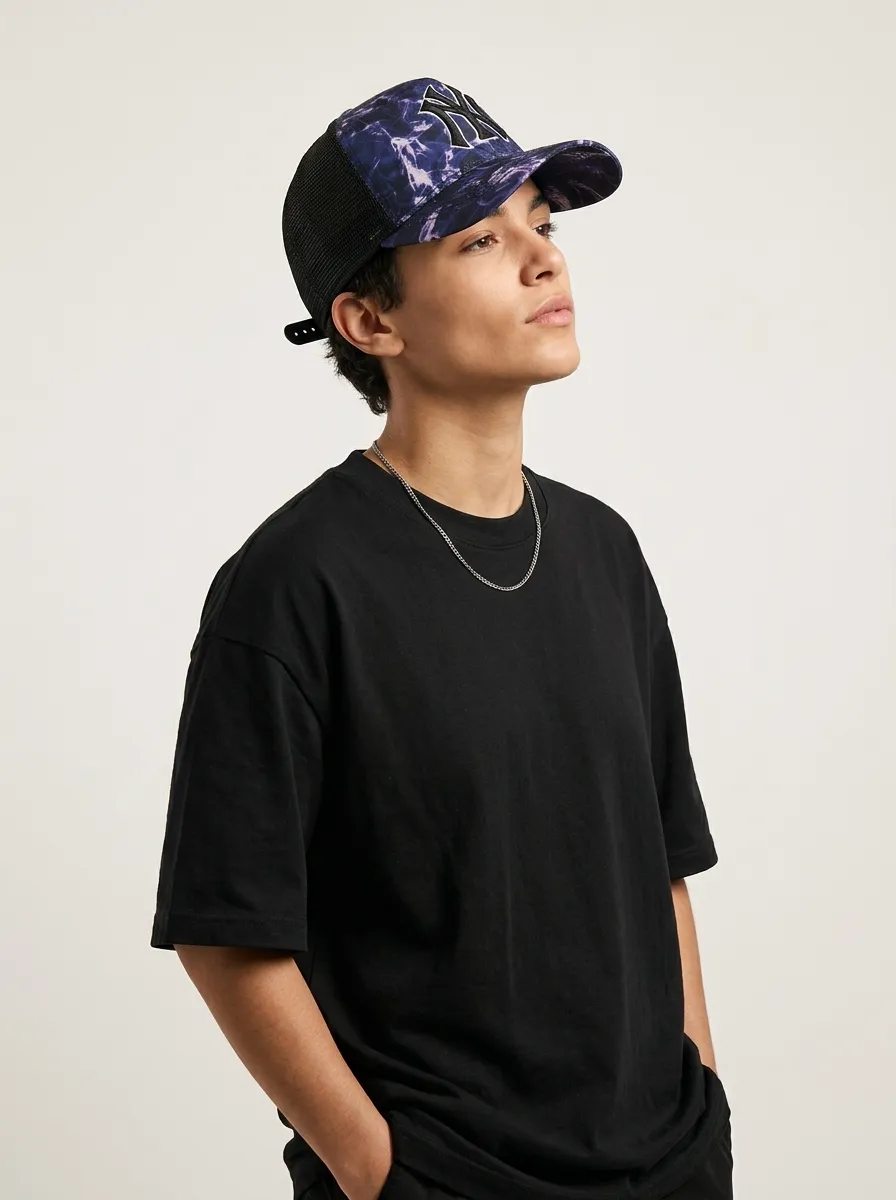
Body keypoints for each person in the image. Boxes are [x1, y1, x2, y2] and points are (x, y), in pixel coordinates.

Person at [149, 76, 734, 1200]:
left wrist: (698, 1102)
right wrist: (381, 1170)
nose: (543, 259)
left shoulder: (604, 552)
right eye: (479, 239)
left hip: (667, 1166)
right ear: (370, 322)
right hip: (443, 1178)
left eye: (541, 223)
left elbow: (659, 865)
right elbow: (226, 929)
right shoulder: (294, 583)